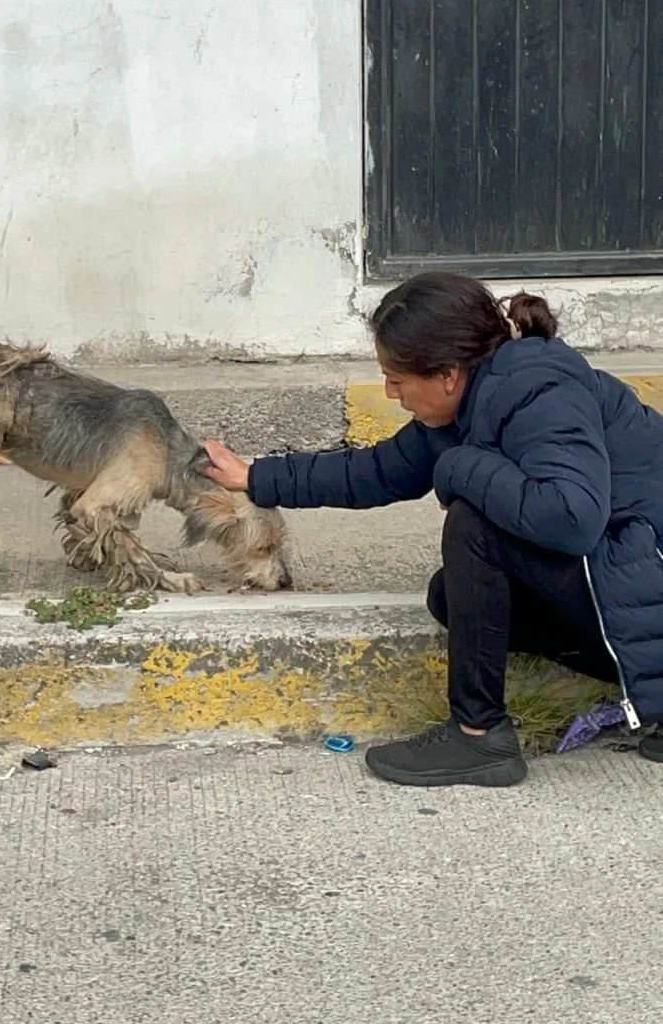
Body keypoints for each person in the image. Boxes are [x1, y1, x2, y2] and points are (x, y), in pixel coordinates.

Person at [201, 272, 663, 789]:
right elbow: (375, 471)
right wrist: (255, 476)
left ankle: (478, 735)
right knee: (451, 596)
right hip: (633, 579)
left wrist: (461, 466)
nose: (390, 392)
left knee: (475, 526)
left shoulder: (540, 391)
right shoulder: (470, 400)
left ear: (446, 373)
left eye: (397, 379)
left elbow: (572, 517)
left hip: (643, 567)